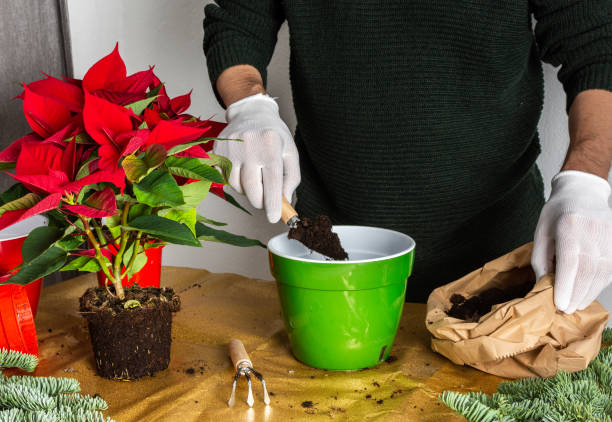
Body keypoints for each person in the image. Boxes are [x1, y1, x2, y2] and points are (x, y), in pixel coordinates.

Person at [203, 1, 612, 313]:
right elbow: (239, 19)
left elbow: (596, 47)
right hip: (332, 255)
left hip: (502, 257)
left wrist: (586, 179)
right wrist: (247, 107)